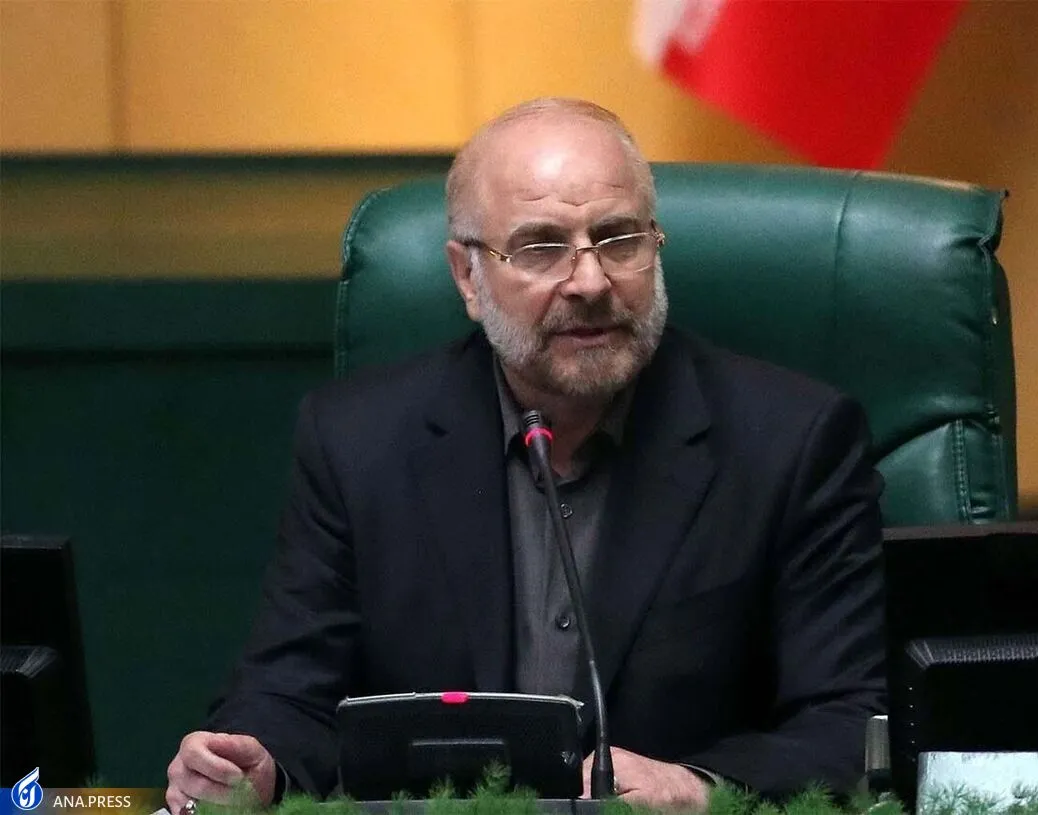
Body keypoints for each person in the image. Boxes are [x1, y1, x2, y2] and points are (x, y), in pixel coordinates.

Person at [165, 97, 885, 813]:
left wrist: (698, 786)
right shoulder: (357, 443)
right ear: (467, 278)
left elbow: (854, 721)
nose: (591, 282)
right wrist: (257, 762)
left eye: (619, 239)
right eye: (541, 248)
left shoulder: (793, 442)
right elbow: (290, 690)